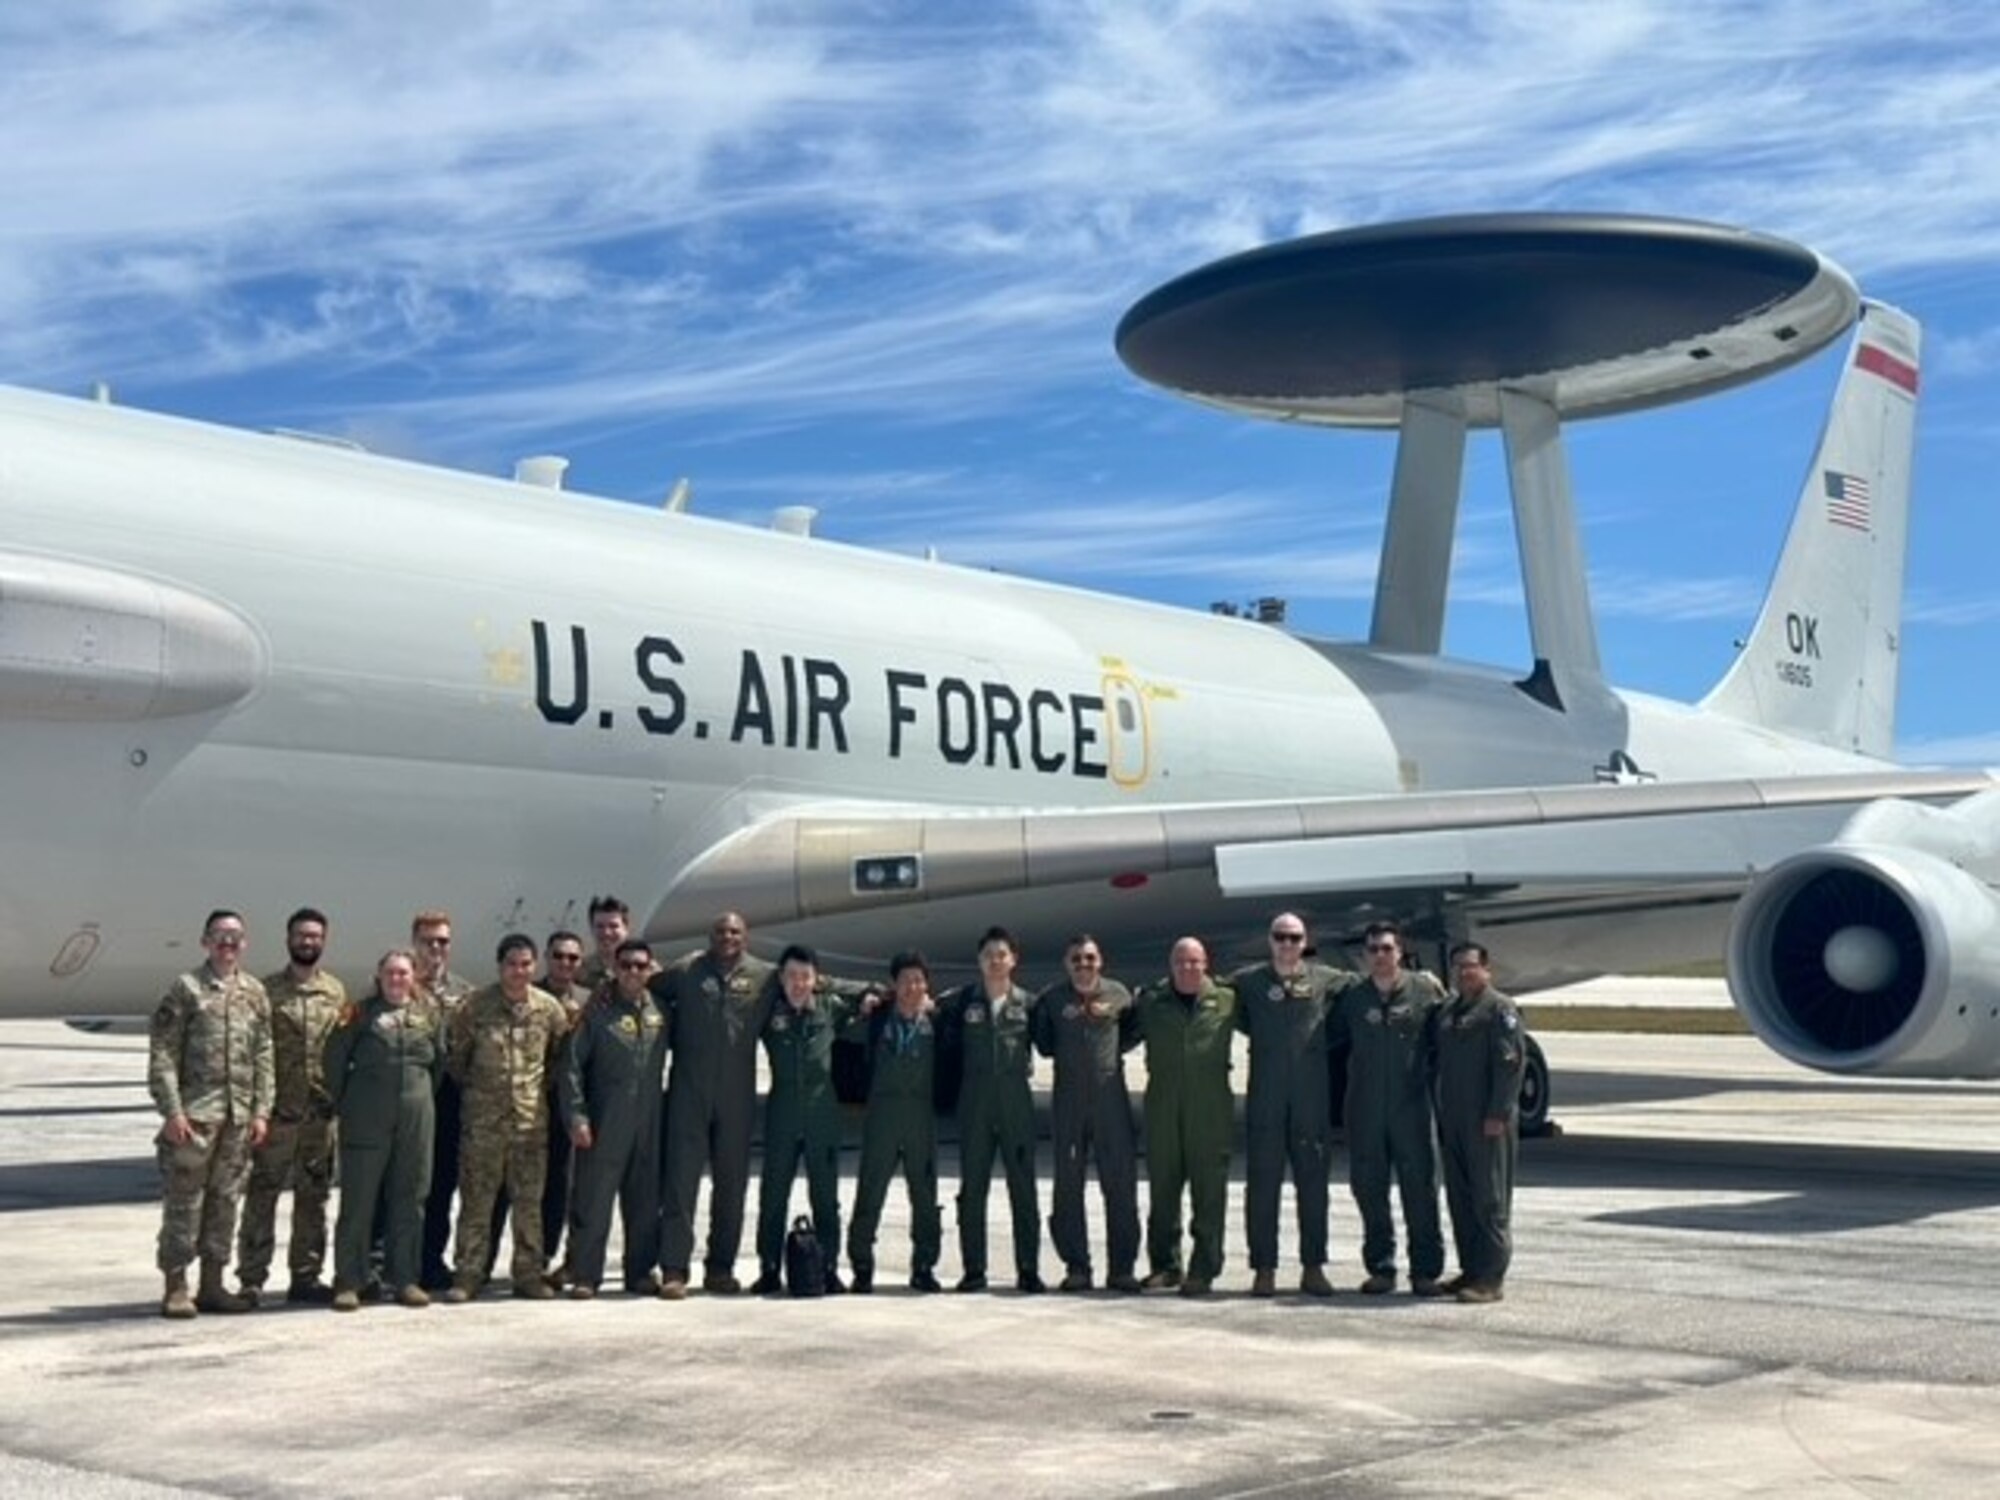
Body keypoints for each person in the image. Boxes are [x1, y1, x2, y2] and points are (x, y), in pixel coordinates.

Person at [148, 909, 273, 1318]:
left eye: (236, 936)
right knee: (185, 1202)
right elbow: (163, 1053)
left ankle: (214, 1284)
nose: (228, 942)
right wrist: (172, 1110)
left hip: (238, 1120)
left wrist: (261, 1111)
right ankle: (176, 1285)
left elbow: (263, 1055)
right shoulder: (186, 989)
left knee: (225, 1200)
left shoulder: (254, 992)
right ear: (205, 942)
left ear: (245, 943)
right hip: (195, 1117)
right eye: (220, 935)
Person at [651, 911, 773, 1298]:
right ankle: (674, 1268)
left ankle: (720, 1267)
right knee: (680, 1182)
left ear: (746, 936)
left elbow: (814, 981)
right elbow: (644, 986)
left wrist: (874, 992)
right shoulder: (687, 970)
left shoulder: (764, 976)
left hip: (736, 1094)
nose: (727, 937)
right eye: (721, 931)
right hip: (689, 1089)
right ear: (710, 935)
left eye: (735, 931)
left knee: (731, 1185)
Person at [443, 934, 570, 1302]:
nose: (519, 971)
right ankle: (468, 1274)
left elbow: (556, 1062)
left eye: (526, 964)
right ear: (500, 966)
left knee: (529, 1204)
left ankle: (528, 1275)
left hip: (530, 1125)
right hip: (482, 1125)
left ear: (535, 967)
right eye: (512, 964)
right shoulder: (474, 1007)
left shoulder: (549, 1010)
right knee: (476, 1202)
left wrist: (529, 1096)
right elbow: (457, 1062)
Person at [1230, 912, 1350, 1297]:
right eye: (1280, 937)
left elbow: (1372, 986)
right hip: (1266, 1097)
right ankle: (1263, 1268)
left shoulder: (1325, 980)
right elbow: (1207, 992)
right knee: (1262, 1185)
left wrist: (1422, 982)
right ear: (1270, 940)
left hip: (1310, 1098)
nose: (1287, 944)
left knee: (1314, 1185)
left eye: (1294, 938)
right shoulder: (1248, 982)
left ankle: (1313, 1266)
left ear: (1305, 942)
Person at [1328, 921, 1448, 1297]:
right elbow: (1326, 1036)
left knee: (1421, 1189)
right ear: (1365, 955)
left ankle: (1425, 1271)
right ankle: (1381, 1267)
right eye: (1373, 950)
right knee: (1369, 1189)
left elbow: (1447, 1036)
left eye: (1386, 948)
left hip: (1410, 1107)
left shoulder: (1424, 991)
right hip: (1365, 1108)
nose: (1380, 956)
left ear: (1400, 951)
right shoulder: (1354, 997)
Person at [235, 906, 348, 1306]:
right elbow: (251, 1052)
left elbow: (341, 1050)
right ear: (288, 940)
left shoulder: (335, 992)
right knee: (261, 1196)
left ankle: (306, 1277)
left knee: (314, 1199)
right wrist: (256, 1109)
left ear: (324, 941)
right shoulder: (265, 992)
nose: (308, 942)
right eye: (301, 935)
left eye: (315, 936)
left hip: (319, 1116)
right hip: (278, 1114)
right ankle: (251, 1279)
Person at [323, 949, 442, 1311]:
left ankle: (404, 1277)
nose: (397, 979)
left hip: (415, 1117)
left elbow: (438, 1064)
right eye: (390, 972)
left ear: (414, 976)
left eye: (403, 973)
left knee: (411, 1195)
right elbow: (333, 1061)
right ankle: (350, 1278)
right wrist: (349, 1103)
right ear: (379, 976)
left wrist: (416, 1099)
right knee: (359, 1198)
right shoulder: (358, 1014)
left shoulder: (429, 1015)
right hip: (366, 1116)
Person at [1031, 934, 1142, 1294]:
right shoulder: (1052, 999)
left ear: (1101, 961)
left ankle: (1122, 1268)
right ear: (1067, 964)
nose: (1084, 965)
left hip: (1111, 1099)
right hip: (1068, 1101)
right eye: (1076, 959)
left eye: (1090, 958)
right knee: (1068, 1185)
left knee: (1121, 1184)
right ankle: (1077, 1266)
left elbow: (1129, 1035)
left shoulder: (1119, 995)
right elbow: (1045, 1045)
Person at [935, 926, 1043, 1293]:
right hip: (975, 1101)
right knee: (973, 1187)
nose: (995, 962)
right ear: (978, 961)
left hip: (1015, 1101)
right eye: (988, 955)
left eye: (1002, 955)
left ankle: (1028, 1269)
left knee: (1023, 1189)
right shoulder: (962, 1002)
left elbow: (1050, 1041)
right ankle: (974, 1269)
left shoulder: (1029, 1004)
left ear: (1014, 959)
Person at [561, 938, 669, 1298]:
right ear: (615, 970)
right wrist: (576, 1115)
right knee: (595, 1200)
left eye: (640, 966)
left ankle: (639, 1272)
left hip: (649, 1120)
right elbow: (572, 1066)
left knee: (643, 1201)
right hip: (607, 1118)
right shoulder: (598, 1011)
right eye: (625, 966)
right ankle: (586, 1275)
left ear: (651, 969)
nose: (633, 973)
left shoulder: (662, 1010)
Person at [753, 944, 863, 1295]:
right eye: (791, 977)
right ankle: (769, 1267)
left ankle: (828, 1267)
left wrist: (829, 984)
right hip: (783, 1108)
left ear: (816, 980)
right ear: (781, 979)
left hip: (821, 1110)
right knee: (773, 1195)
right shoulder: (769, 1013)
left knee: (826, 1196)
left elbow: (869, 992)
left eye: (805, 977)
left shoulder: (829, 1008)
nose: (798, 984)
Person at [1134, 937, 1237, 1297]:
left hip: (1210, 1111)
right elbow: (1120, 1033)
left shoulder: (1227, 999)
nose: (1188, 968)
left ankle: (1204, 1269)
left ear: (1206, 963)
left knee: (1209, 1194)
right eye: (1180, 962)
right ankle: (1165, 1265)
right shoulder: (1152, 1002)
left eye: (1194, 962)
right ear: (1170, 965)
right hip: (1163, 1107)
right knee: (1163, 1190)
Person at [845, 951, 944, 1294]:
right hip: (882, 1116)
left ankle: (924, 1265)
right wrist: (866, 999)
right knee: (870, 1190)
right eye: (905, 981)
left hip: (919, 1115)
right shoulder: (878, 1020)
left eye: (918, 980)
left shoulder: (937, 1021)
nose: (912, 987)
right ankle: (861, 1265)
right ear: (894, 985)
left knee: (925, 1195)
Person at [1434, 942, 1526, 1304]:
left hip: (1486, 1120)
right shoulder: (1450, 1010)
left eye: (1470, 966)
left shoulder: (1499, 1009)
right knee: (1461, 1197)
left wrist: (1498, 1113)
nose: (1462, 972)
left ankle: (1491, 1277)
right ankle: (1471, 1269)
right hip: (1455, 1118)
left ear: (1486, 970)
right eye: (1457, 966)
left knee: (1490, 1198)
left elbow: (1509, 1066)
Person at [411, 910, 480, 1290]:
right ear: (415, 943)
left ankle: (431, 1261)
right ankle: (391, 1261)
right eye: (428, 941)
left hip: (451, 1098)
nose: (435, 948)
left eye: (442, 941)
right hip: (412, 1096)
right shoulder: (399, 984)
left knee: (441, 1185)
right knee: (404, 1184)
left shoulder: (466, 994)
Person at [538, 930, 593, 1286]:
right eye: (559, 956)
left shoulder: (590, 1000)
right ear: (547, 957)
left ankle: (548, 1257)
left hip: (569, 1104)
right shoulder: (529, 993)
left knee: (562, 1184)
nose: (565, 964)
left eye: (572, 958)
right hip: (532, 1103)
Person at [580, 895, 632, 995]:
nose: (606, 932)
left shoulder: (645, 969)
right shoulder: (579, 971)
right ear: (592, 929)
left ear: (626, 928)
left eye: (613, 926)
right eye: (600, 926)